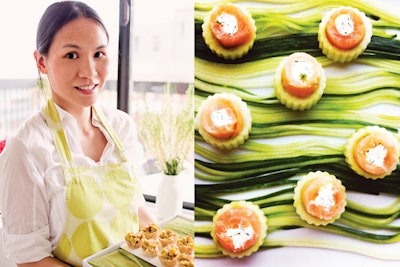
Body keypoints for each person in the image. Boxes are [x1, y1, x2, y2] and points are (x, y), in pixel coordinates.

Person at [0, 1, 154, 266]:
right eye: (72, 55)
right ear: (41, 62)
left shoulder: (122, 126)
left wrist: (168, 247)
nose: (89, 72)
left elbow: (135, 209)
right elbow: (31, 258)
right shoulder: (26, 148)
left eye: (99, 54)